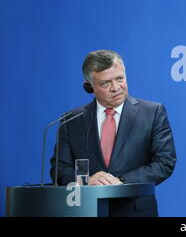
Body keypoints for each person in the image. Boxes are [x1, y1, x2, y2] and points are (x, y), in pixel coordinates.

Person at [50, 49, 176, 216]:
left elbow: (164, 162)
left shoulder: (152, 113)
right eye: (105, 83)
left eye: (120, 79)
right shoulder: (71, 120)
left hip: (135, 211)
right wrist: (86, 180)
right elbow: (59, 169)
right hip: (86, 210)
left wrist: (122, 181)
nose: (116, 88)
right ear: (89, 87)